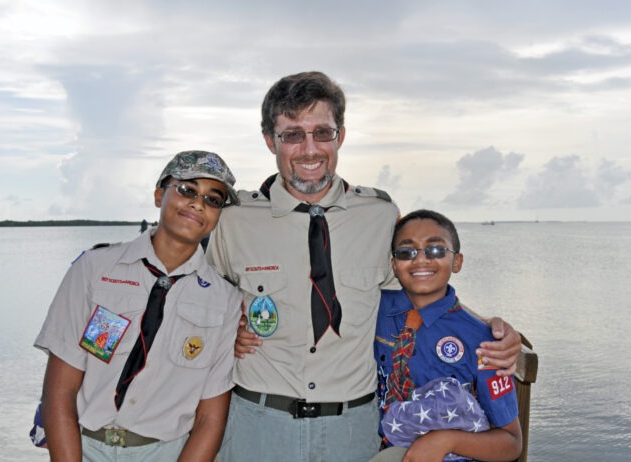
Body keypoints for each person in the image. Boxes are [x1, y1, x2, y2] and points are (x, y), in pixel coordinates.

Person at [206, 71, 522, 462]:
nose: (309, 150)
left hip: (352, 431)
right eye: (292, 135)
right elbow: (200, 300)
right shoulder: (236, 221)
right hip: (257, 424)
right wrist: (225, 332)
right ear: (271, 140)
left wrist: (493, 328)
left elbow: (421, 291)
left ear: (340, 136)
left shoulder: (380, 215)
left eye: (322, 133)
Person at [34, 150, 242, 461]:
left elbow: (209, 419)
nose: (198, 204)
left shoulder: (225, 299)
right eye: (187, 190)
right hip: (84, 447)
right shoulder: (95, 269)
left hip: (167, 452)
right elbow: (59, 392)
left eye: (213, 199)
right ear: (159, 195)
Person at [372, 209, 521, 462]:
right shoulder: (372, 309)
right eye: (407, 252)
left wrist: (446, 439)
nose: (421, 260)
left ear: (457, 262)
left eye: (436, 250)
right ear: (394, 265)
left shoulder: (484, 342)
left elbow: (511, 442)